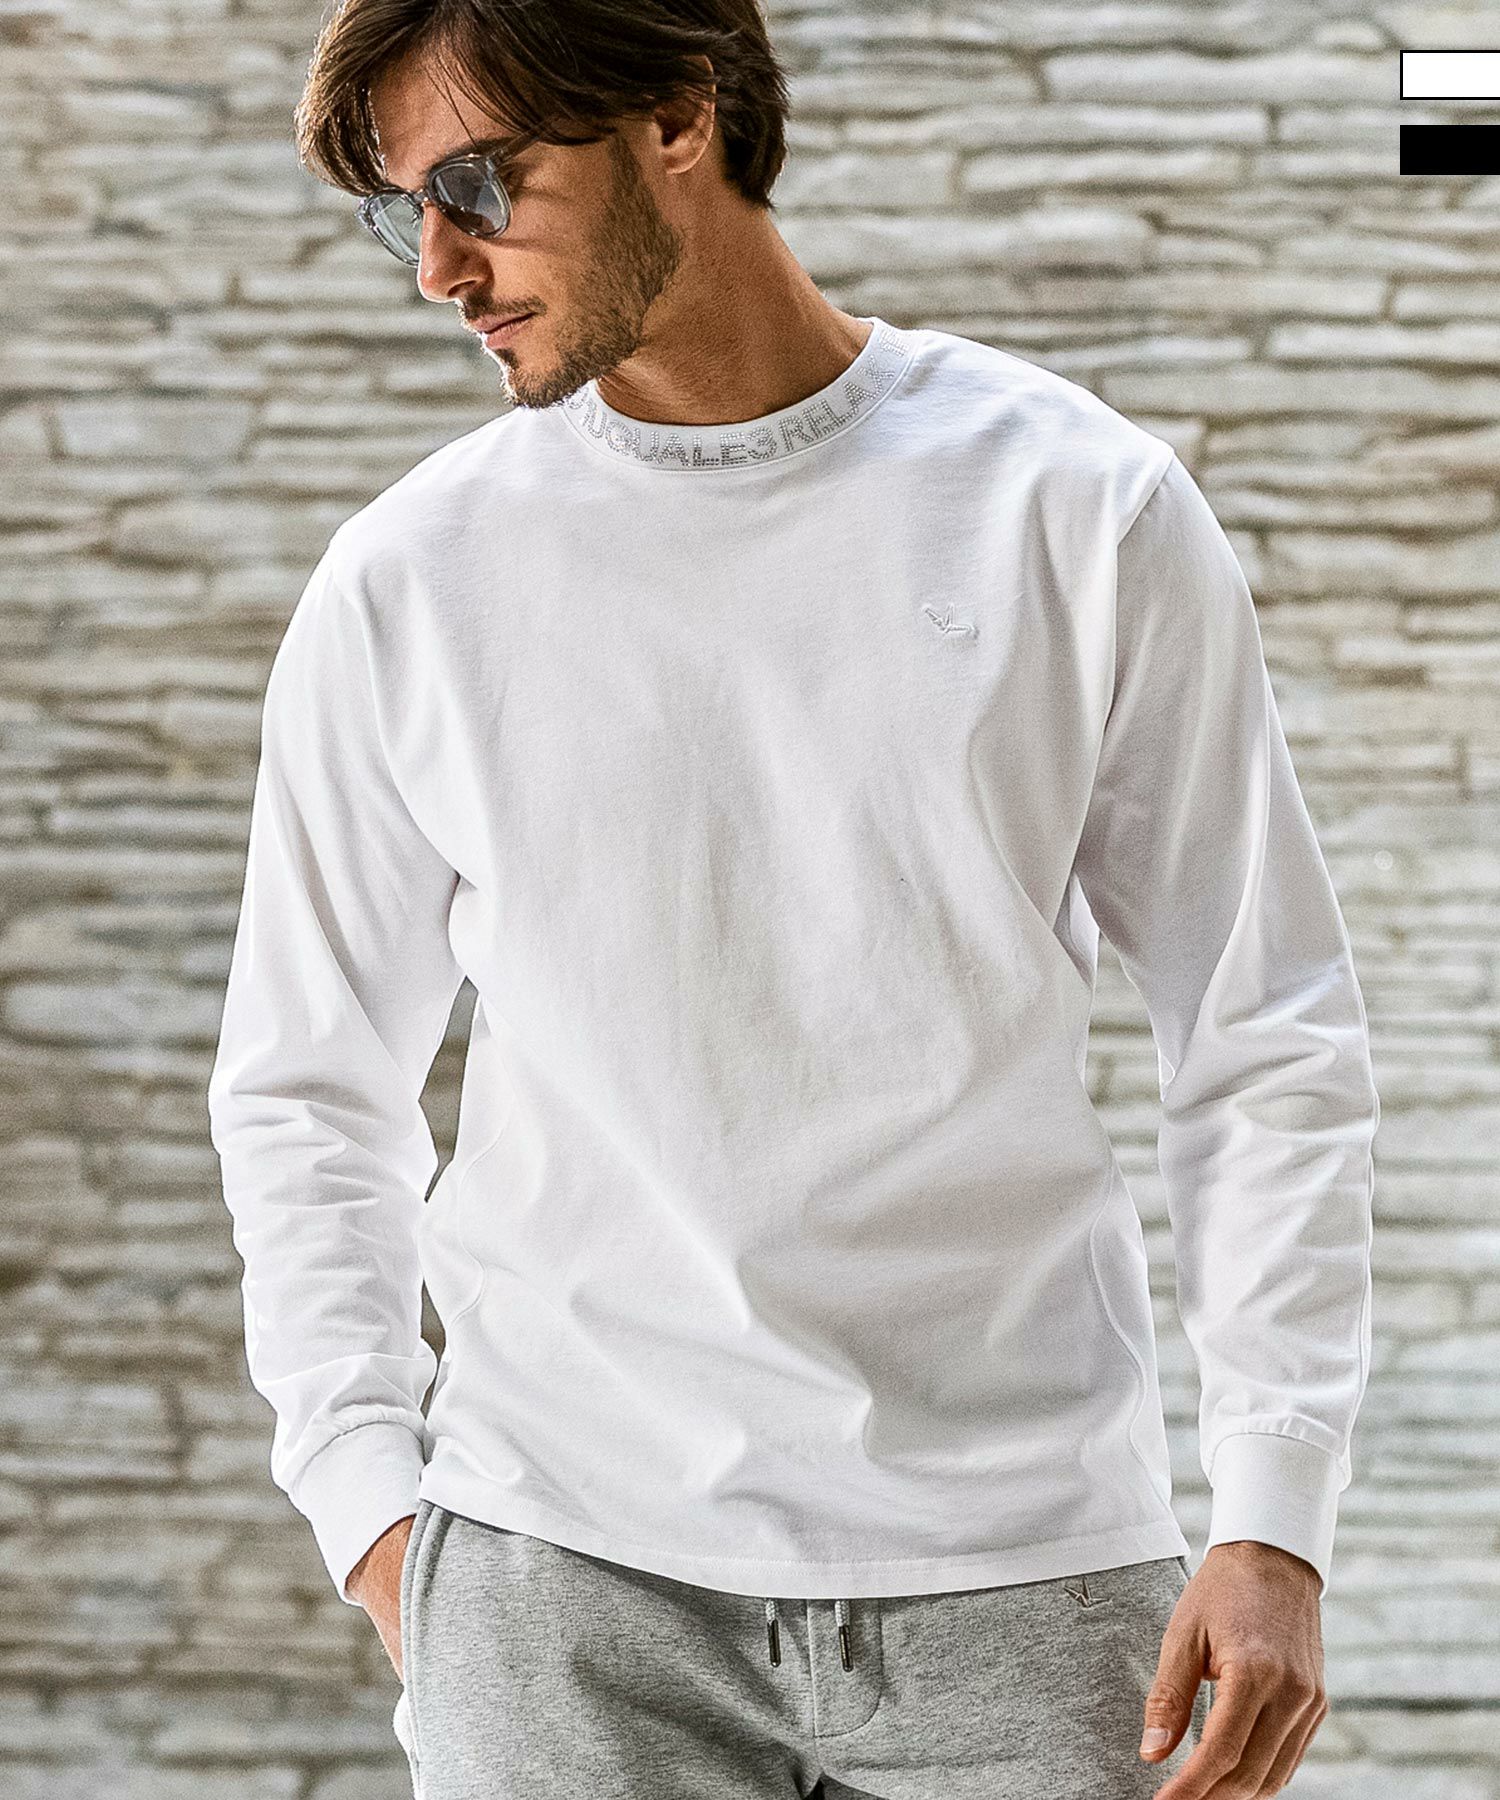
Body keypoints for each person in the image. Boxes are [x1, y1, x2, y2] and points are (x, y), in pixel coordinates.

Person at [206, 1, 1378, 1795]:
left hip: (1033, 1581)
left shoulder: (1078, 510)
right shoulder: (408, 586)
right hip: (563, 1585)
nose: (438, 267)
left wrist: (1277, 1511)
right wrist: (373, 1508)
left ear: (679, 117)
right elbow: (305, 1086)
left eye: (478, 186)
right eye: (399, 211)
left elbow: (1262, 1030)